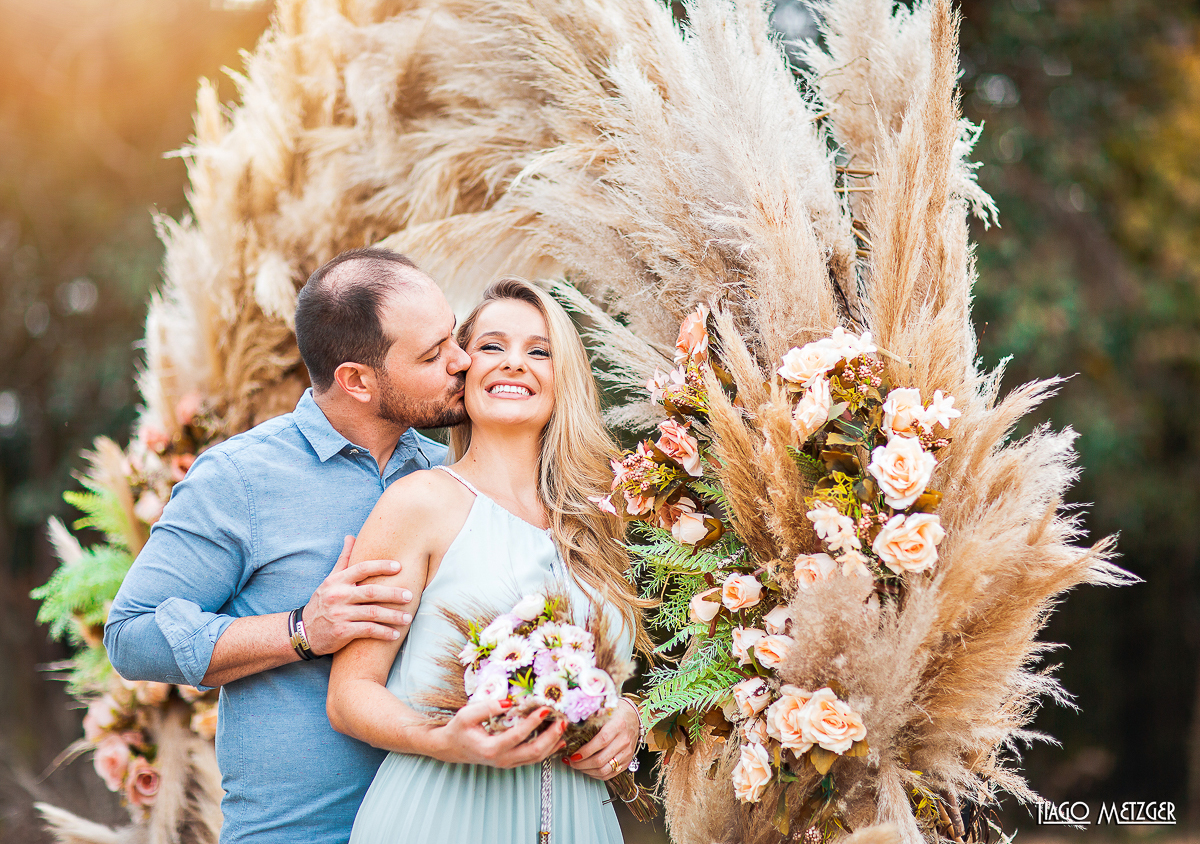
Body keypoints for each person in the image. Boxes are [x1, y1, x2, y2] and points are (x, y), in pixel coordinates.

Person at [104, 248, 473, 843]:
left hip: (442, 825)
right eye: (433, 354)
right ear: (356, 379)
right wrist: (301, 630)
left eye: (453, 336)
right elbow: (130, 634)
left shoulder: (452, 476)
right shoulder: (239, 478)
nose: (462, 362)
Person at [326, 277, 650, 844]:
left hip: (581, 822)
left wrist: (628, 718)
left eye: (539, 351)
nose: (514, 364)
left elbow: (633, 676)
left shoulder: (601, 521)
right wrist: (442, 738)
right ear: (463, 369)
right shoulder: (421, 503)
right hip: (441, 814)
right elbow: (350, 695)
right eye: (492, 347)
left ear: (563, 377)